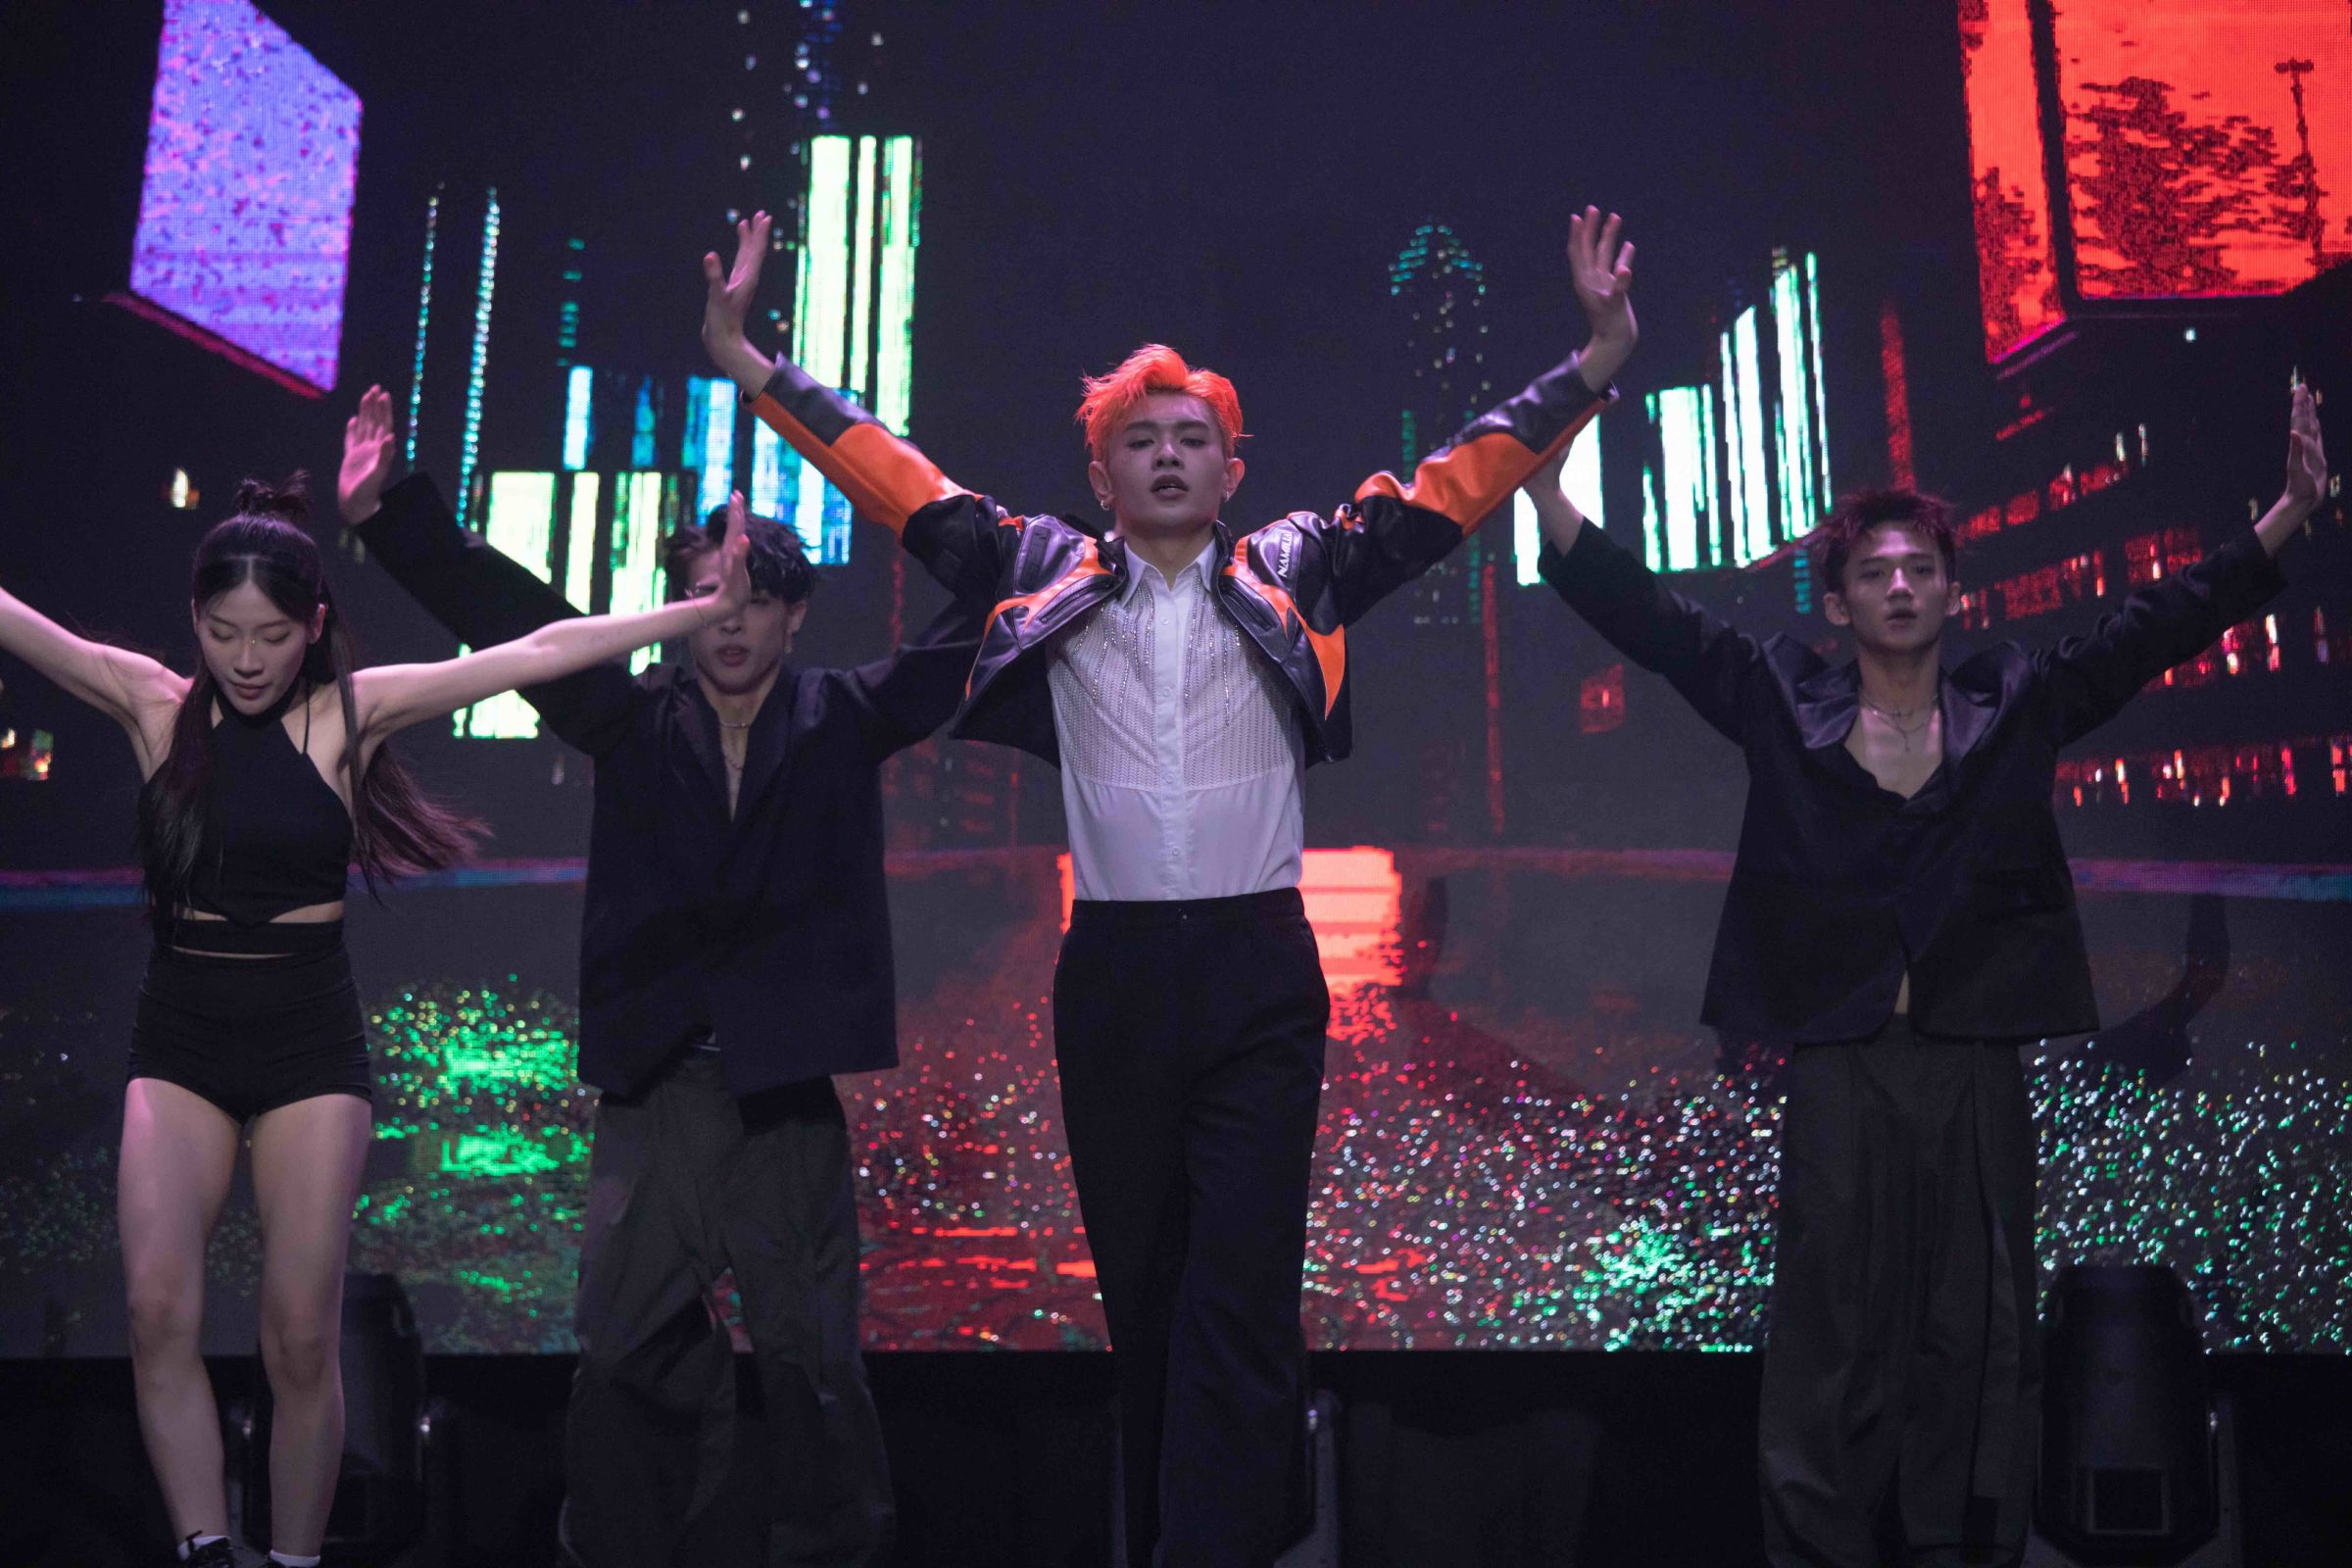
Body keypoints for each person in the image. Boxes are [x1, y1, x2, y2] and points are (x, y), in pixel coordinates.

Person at [702, 206, 1638, 1566]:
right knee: (1145, 1301)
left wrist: (1594, 361)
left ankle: (1230, 1545)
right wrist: (750, 362)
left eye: (1191, 437)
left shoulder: (1303, 565)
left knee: (1240, 1293)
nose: (1166, 455)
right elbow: (893, 477)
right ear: (1102, 472)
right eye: (1139, 440)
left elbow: (1457, 482)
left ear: (1230, 467)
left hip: (1258, 972)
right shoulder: (1037, 570)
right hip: (1118, 975)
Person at [1522, 384, 2328, 1566]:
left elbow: (2152, 627)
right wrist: (1548, 498)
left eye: (1920, 569)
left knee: (1979, 1330)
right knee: (1827, 1333)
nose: (1899, 585)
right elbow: (1659, 622)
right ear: (1838, 601)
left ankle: (1963, 1549)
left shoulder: (2014, 703)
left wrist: (2288, 515)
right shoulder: (1780, 698)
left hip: (1972, 1058)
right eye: (1875, 572)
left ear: (1953, 591)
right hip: (1841, 1062)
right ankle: (1821, 1550)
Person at [0, 473, 750, 1567]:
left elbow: (541, 651)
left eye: (270, 636)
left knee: (301, 1336)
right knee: (157, 1314)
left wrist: (697, 609)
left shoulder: (351, 712)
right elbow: (22, 626)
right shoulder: (153, 705)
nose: (246, 659)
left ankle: (295, 1559)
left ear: (313, 626)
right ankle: (207, 1548)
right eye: (222, 634)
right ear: (194, 622)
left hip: (308, 1042)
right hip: (181, 1037)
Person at [338, 384, 983, 1567]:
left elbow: (971, 634)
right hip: (656, 1088)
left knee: (813, 1364)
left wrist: (1061, 556)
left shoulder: (844, 716)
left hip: (784, 1097)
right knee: (623, 1354)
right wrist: (391, 517)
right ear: (677, 612)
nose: (730, 620)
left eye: (755, 598)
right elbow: (513, 614)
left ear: (794, 615)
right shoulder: (626, 720)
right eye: (707, 597)